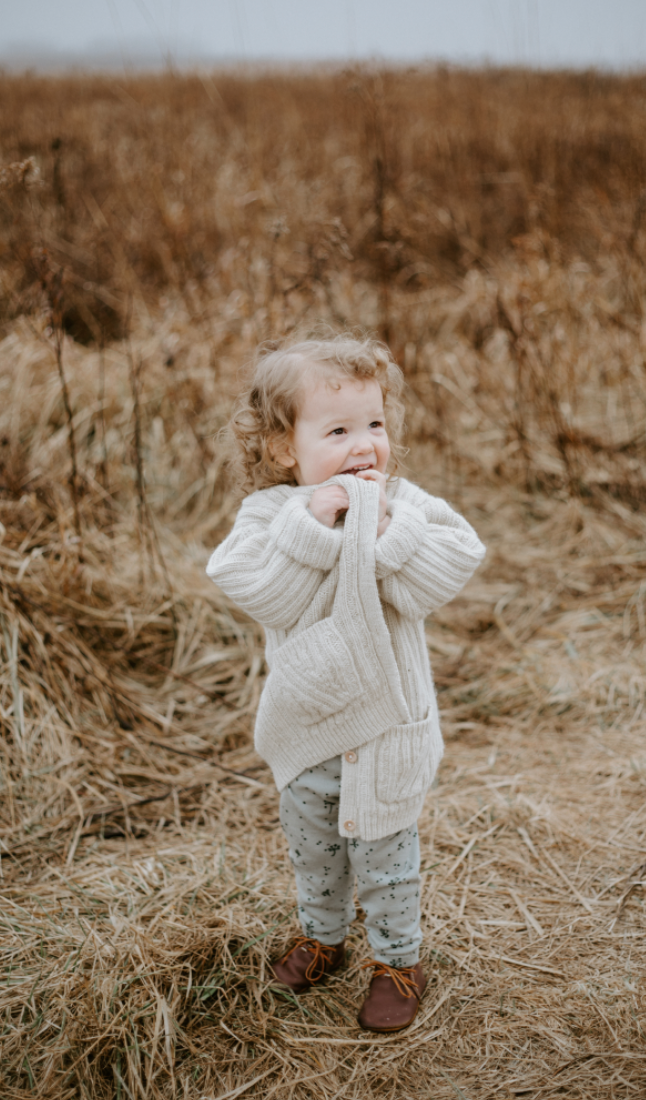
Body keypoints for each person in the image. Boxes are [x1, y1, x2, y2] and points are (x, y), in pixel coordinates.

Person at [206, 336, 485, 1032]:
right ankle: (322, 936)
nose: (364, 445)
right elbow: (257, 588)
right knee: (316, 852)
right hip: (307, 729)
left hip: (386, 731)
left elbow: (452, 562)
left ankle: (399, 959)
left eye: (375, 425)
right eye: (337, 431)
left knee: (388, 861)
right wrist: (316, 525)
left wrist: (386, 530)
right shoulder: (273, 516)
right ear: (282, 448)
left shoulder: (401, 503)